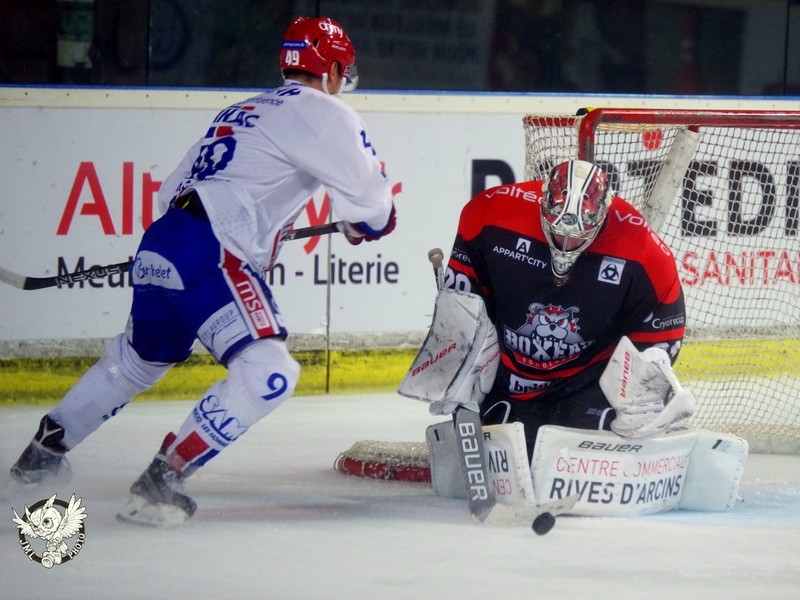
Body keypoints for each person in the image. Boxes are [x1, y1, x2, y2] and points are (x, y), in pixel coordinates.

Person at [9, 16, 397, 526]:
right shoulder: (326, 110)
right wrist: (363, 226)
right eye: (342, 73)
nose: (342, 84)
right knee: (271, 372)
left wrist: (200, 245)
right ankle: (163, 477)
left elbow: (173, 194)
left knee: (135, 362)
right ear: (330, 69)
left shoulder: (240, 111)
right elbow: (374, 211)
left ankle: (40, 457)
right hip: (211, 246)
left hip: (165, 240)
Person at [439, 159, 686, 457]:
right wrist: (461, 357)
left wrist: (648, 377)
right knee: (508, 446)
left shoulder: (645, 253)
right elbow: (462, 298)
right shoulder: (490, 215)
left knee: (583, 457)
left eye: (580, 234)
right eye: (559, 231)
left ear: (603, 213)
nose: (567, 241)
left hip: (587, 385)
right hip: (504, 379)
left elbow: (663, 327)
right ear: (543, 203)